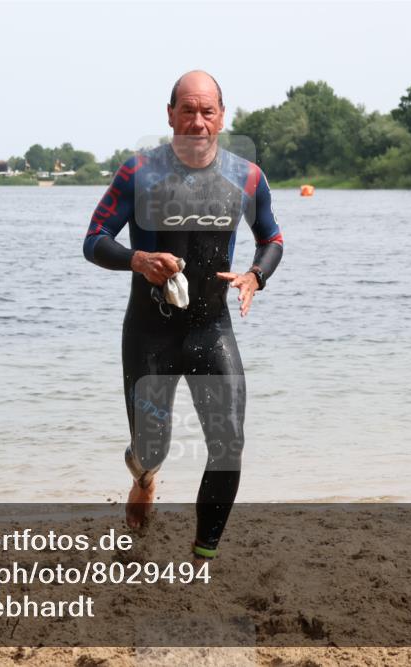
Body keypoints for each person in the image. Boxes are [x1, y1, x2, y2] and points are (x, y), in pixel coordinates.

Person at [82, 70, 283, 565]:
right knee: (151, 448)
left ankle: (202, 558)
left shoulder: (248, 177)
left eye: (207, 111)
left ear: (222, 117)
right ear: (169, 114)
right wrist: (136, 259)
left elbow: (272, 238)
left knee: (228, 443)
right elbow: (94, 240)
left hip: (211, 328)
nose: (197, 121)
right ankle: (145, 478)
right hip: (150, 332)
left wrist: (257, 275)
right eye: (187, 110)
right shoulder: (138, 173)